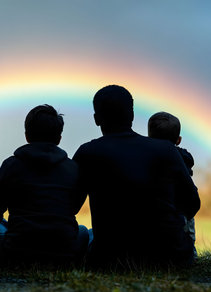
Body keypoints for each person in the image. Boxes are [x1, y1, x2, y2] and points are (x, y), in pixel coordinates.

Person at [73, 85, 200, 267]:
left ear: (96, 119)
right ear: (132, 115)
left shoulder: (87, 153)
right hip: (171, 256)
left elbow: (72, 205)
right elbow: (192, 203)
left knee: (87, 233)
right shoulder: (167, 150)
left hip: (110, 258)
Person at [0, 104, 88, 266]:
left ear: (27, 136)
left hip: (14, 256)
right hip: (64, 257)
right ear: (59, 138)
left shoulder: (11, 165)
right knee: (82, 231)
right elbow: (73, 209)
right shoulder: (73, 169)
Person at [148, 111, 197, 258]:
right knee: (188, 229)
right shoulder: (183, 158)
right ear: (178, 140)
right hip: (182, 208)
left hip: (162, 208)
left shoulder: (147, 158)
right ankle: (191, 254)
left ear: (149, 137)